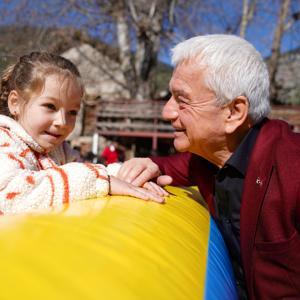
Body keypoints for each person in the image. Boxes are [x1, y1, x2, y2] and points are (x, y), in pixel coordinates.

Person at [116, 34, 300, 299]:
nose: (167, 112)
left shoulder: (292, 168)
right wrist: (149, 164)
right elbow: (168, 166)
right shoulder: (207, 157)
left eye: (182, 99)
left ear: (234, 112)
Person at [0, 52, 166, 215]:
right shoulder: (5, 142)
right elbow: (9, 196)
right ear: (15, 103)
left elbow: (90, 171)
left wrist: (128, 176)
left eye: (72, 112)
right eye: (50, 106)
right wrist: (101, 182)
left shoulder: (60, 150)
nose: (63, 122)